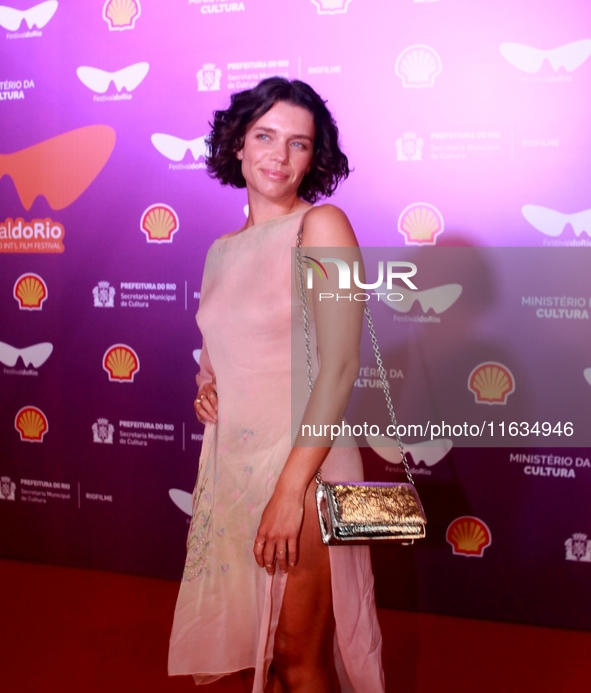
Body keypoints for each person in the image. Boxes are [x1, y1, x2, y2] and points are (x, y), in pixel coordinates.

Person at [168, 77, 385, 693]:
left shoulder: (322, 226)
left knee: (298, 659)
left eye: (298, 143)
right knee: (260, 657)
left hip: (305, 468)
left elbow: (339, 367)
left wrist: (291, 492)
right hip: (233, 471)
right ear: (237, 144)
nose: (278, 156)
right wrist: (207, 386)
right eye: (265, 136)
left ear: (314, 157)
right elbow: (224, 355)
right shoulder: (219, 250)